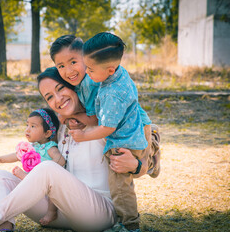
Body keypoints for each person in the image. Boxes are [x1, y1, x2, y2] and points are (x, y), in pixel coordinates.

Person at [0, 67, 143, 232]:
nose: (57, 99)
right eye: (49, 97)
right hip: (59, 212)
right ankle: (4, 230)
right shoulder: (60, 129)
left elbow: (148, 156)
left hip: (98, 213)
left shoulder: (104, 121)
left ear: (74, 87)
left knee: (48, 168)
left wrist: (137, 165)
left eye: (61, 89)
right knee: (0, 177)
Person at [63, 32, 153, 232]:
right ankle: (125, 223)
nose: (88, 72)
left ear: (110, 69)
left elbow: (108, 128)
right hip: (128, 138)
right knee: (119, 186)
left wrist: (83, 136)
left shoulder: (113, 92)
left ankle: (130, 228)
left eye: (91, 69)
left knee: (120, 188)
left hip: (124, 144)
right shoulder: (116, 74)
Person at [50, 34, 160, 179]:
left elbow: (95, 119)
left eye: (73, 62)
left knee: (126, 168)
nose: (69, 71)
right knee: (121, 167)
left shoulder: (93, 81)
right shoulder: (83, 79)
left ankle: (152, 149)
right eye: (61, 66)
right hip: (123, 126)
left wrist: (70, 115)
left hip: (133, 126)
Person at [0, 108, 65, 226]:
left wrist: (49, 169)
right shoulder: (30, 147)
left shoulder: (50, 147)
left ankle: (52, 212)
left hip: (45, 185)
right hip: (33, 187)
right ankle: (0, 213)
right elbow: (16, 156)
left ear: (47, 133)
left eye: (33, 126)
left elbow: (60, 160)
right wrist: (0, 159)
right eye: (27, 125)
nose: (27, 129)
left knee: (53, 189)